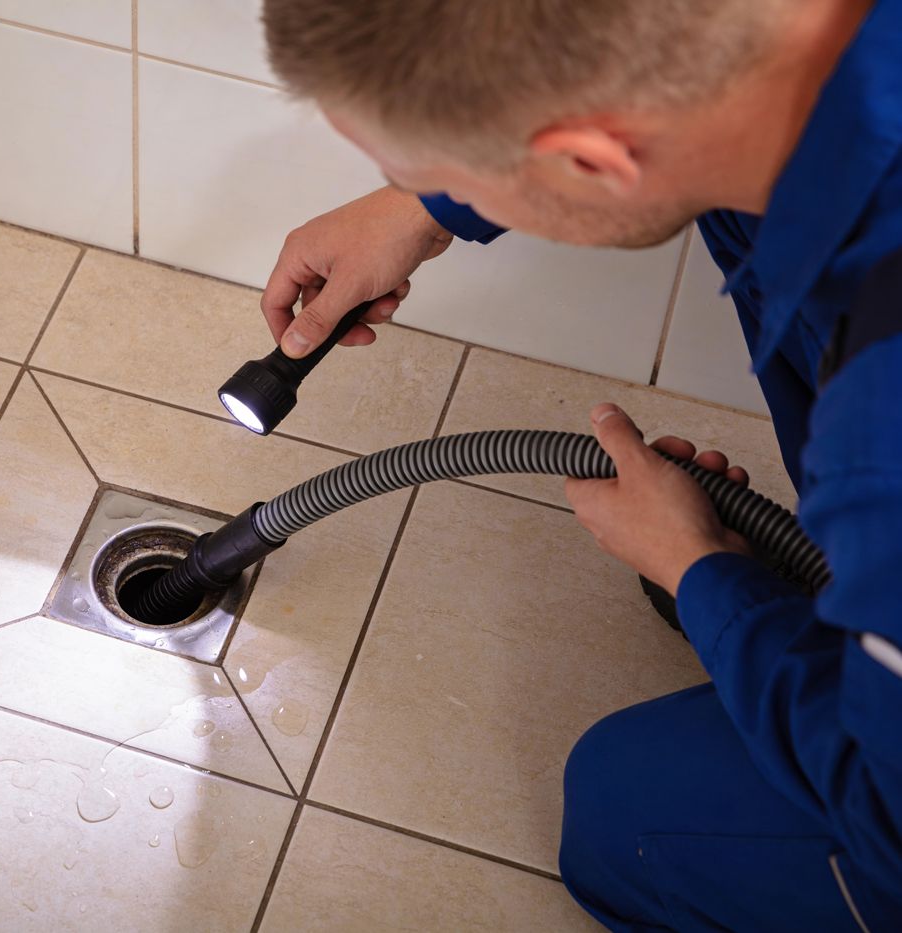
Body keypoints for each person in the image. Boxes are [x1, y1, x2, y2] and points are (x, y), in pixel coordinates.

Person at [258, 1, 902, 929]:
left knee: (623, 808)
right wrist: (425, 206)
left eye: (414, 169)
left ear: (592, 160)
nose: (415, 186)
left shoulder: (885, 409)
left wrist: (703, 572)